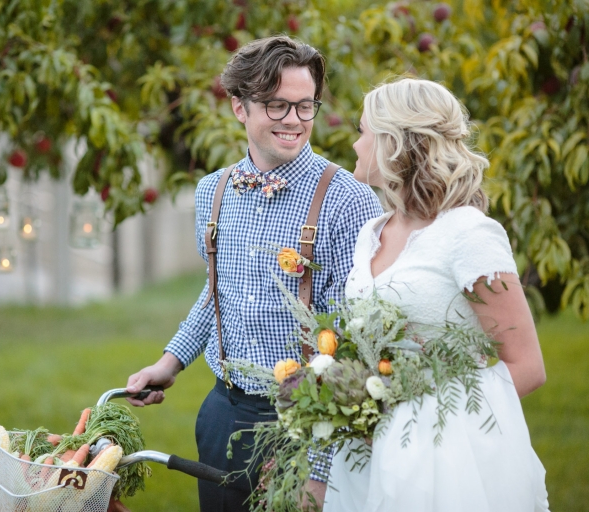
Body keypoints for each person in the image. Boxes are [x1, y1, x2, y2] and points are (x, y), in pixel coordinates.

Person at [125, 35, 383, 511]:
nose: (294, 121)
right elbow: (217, 292)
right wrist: (170, 363)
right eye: (277, 105)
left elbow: (356, 338)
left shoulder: (349, 200)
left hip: (306, 422)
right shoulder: (213, 191)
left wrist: (321, 466)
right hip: (222, 413)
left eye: (305, 107)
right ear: (239, 107)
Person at [323, 77, 549, 512]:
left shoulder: (468, 234)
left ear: (394, 142)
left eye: (363, 131)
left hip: (450, 461)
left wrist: (422, 422)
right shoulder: (371, 233)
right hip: (365, 456)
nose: (354, 144)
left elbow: (528, 366)